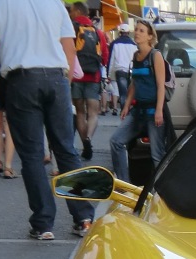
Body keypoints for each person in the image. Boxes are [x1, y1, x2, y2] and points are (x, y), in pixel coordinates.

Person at [0, 0, 94, 239]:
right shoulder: (54, 3)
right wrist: (65, 85)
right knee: (66, 150)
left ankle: (43, 224)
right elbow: (69, 47)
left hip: (22, 80)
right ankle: (83, 217)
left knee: (32, 154)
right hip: (57, 78)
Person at [109, 19, 166, 180]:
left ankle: (160, 190)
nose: (137, 33)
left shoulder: (156, 56)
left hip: (153, 110)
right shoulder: (135, 55)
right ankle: (124, 183)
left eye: (142, 31)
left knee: (157, 154)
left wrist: (159, 110)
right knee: (116, 141)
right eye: (137, 30)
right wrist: (126, 105)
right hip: (137, 111)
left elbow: (161, 86)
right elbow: (134, 83)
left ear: (150, 37)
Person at [68, 2, 107, 160]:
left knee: (80, 112)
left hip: (76, 77)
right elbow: (104, 58)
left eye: (71, 11)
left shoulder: (72, 28)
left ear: (77, 11)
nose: (70, 14)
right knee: (92, 113)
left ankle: (85, 144)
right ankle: (89, 138)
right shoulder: (98, 33)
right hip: (93, 76)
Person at [106, 22, 135, 115]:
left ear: (120, 32)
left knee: (123, 92)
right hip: (131, 71)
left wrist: (109, 74)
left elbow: (111, 60)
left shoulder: (115, 44)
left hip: (120, 71)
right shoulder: (134, 44)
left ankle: (123, 110)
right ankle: (129, 110)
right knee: (130, 92)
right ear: (128, 32)